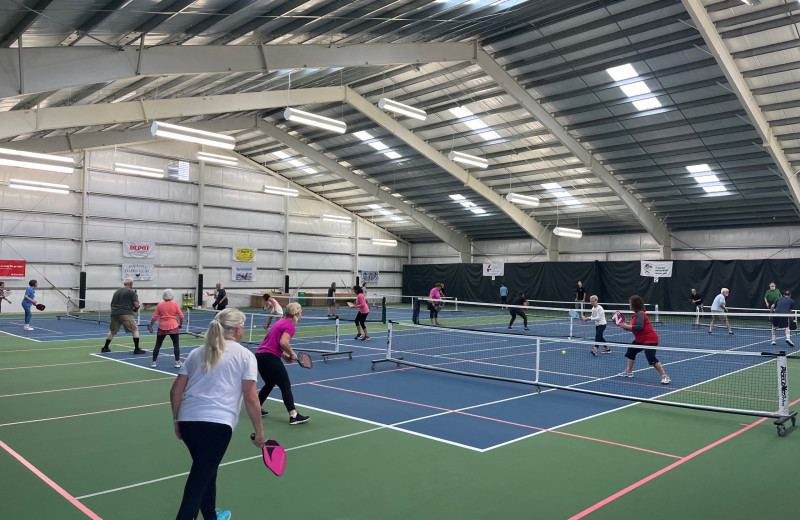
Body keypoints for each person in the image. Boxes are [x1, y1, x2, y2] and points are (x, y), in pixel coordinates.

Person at [170, 308, 265, 520]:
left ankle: (211, 515)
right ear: (237, 329)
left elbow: (176, 390)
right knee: (198, 480)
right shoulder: (245, 356)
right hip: (217, 427)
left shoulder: (197, 352)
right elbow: (250, 398)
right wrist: (259, 432)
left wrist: (177, 421)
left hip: (189, 424)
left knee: (206, 472)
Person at [255, 302, 310, 425]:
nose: (301, 315)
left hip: (260, 355)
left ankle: (256, 408)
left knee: (269, 383)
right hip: (269, 357)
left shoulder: (279, 322)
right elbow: (283, 342)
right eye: (301, 313)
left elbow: (270, 343)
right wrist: (292, 353)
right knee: (285, 384)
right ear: (296, 314)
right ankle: (294, 415)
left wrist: (284, 355)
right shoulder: (290, 326)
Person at [615, 295, 670, 384]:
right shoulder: (635, 315)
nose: (629, 305)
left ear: (634, 304)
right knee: (631, 352)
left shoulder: (640, 313)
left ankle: (665, 376)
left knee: (651, 358)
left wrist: (627, 326)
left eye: (630, 303)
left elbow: (639, 327)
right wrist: (626, 327)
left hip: (650, 339)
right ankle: (629, 372)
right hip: (640, 339)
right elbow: (634, 328)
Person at [101, 277, 145, 354]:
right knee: (135, 329)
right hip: (125, 314)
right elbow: (136, 305)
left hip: (114, 313)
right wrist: (136, 307)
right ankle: (137, 348)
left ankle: (105, 347)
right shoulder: (132, 292)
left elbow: (112, 303)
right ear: (131, 284)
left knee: (112, 331)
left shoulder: (116, 291)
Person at [148, 288, 184, 368]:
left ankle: (154, 362)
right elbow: (181, 316)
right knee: (176, 345)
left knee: (158, 344)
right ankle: (177, 362)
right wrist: (180, 324)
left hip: (162, 326)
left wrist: (150, 326)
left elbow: (154, 317)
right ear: (172, 296)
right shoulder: (175, 304)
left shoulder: (160, 305)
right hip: (173, 326)